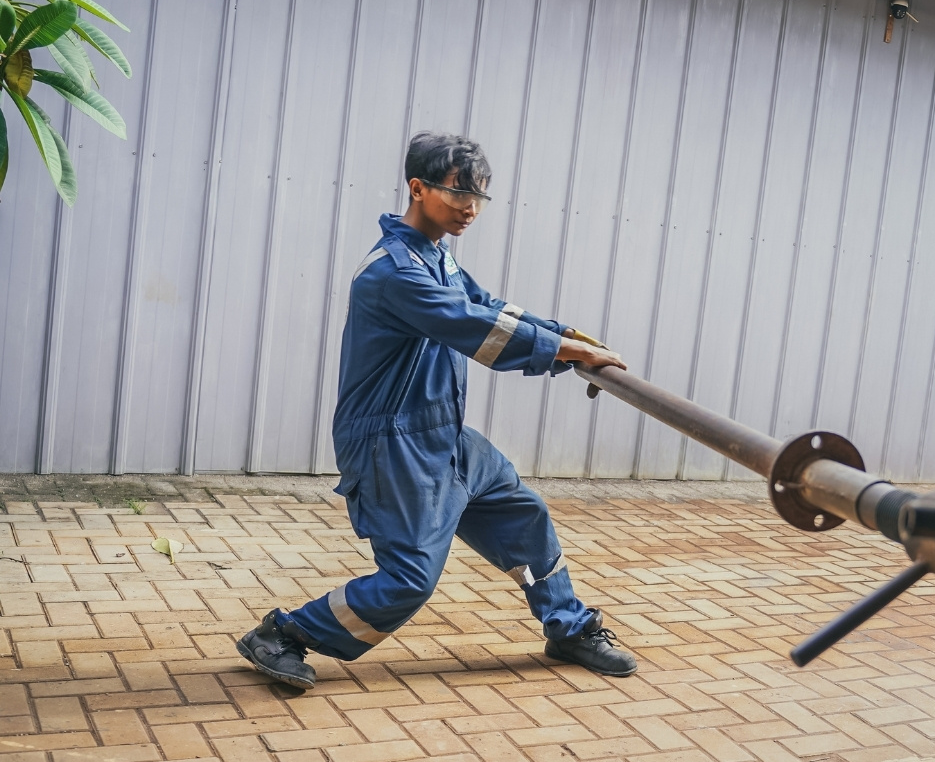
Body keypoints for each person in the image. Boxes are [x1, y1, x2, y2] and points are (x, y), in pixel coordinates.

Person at [237, 132, 637, 690]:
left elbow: (487, 306)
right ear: (418, 188)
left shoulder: (437, 257)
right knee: (408, 581)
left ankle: (566, 625)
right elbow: (473, 328)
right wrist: (569, 352)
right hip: (391, 442)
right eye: (457, 194)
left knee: (524, 514)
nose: (470, 209)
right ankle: (283, 634)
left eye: (479, 198)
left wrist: (563, 334)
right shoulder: (393, 272)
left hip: (442, 433)